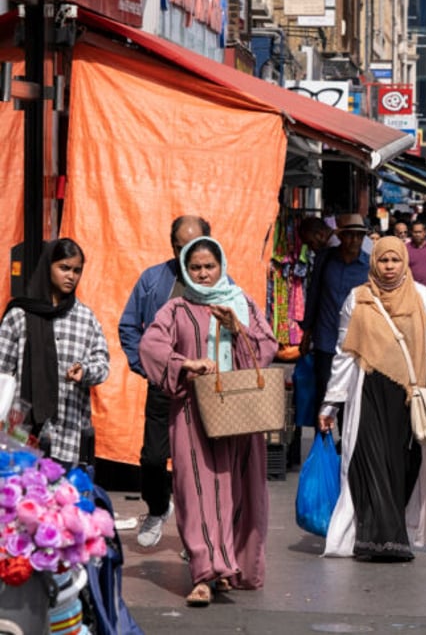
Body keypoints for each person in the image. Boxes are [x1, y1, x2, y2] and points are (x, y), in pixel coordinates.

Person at [139, 237, 278, 605]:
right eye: (196, 267)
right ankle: (203, 574)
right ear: (186, 269)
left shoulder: (241, 303)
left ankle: (228, 566)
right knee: (195, 491)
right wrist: (186, 363)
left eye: (209, 267)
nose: (203, 274)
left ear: (222, 267)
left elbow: (267, 346)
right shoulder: (175, 309)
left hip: (241, 414)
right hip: (192, 415)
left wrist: (238, 328)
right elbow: (151, 347)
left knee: (236, 491)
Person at [320, 237, 426, 560]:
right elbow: (345, 353)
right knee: (371, 462)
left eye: (395, 261)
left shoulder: (421, 298)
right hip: (368, 393)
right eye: (383, 261)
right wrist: (331, 402)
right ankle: (383, 541)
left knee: (403, 464)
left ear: (404, 262)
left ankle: (385, 530)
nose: (389, 267)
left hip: (408, 397)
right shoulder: (357, 299)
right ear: (374, 262)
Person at [119, 215, 210, 548]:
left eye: (193, 246)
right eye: (179, 246)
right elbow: (129, 326)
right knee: (154, 459)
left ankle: (197, 539)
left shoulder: (216, 279)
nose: (187, 255)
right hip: (164, 386)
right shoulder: (154, 279)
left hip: (204, 391)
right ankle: (158, 507)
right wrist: (147, 367)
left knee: (198, 465)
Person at [0, 238, 109, 468]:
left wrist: (85, 371)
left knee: (62, 497)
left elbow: (103, 364)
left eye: (77, 270)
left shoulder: (85, 319)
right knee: (22, 495)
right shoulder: (20, 315)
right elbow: (2, 370)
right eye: (64, 268)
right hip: (20, 430)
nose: (71, 276)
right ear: (48, 266)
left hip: (67, 431)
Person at [299, 214, 371, 442]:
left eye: (358, 237)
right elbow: (314, 295)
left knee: (352, 393)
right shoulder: (325, 259)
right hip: (326, 336)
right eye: (349, 236)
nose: (353, 241)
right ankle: (324, 441)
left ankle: (347, 441)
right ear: (341, 237)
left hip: (357, 341)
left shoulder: (369, 265)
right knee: (325, 390)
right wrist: (306, 332)